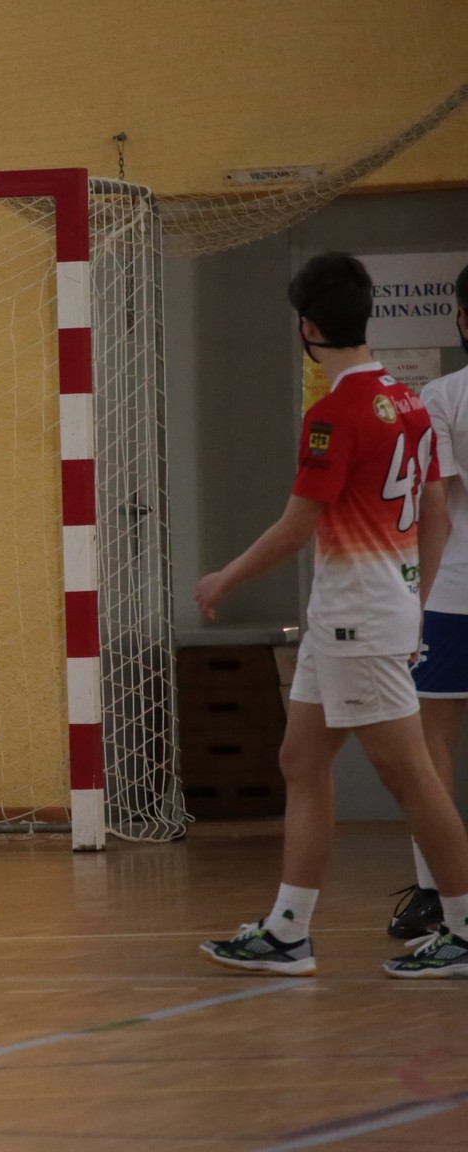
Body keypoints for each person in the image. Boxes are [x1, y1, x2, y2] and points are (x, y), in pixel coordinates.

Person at [196, 251, 468, 979]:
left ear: (308, 328)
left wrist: (224, 577)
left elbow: (296, 528)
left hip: (357, 618)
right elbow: (437, 512)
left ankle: (465, 928)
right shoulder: (409, 403)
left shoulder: (333, 415)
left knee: (411, 775)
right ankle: (288, 931)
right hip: (359, 614)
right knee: (302, 760)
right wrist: (415, 599)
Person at [399, 261, 468, 938]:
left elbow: (438, 501)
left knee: (428, 743)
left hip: (452, 594)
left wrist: (413, 597)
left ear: (463, 319)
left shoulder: (442, 395)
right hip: (451, 594)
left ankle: (435, 894)